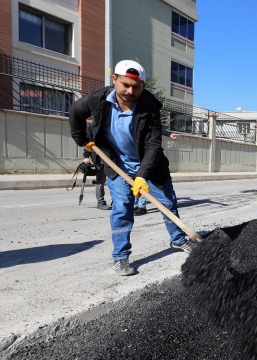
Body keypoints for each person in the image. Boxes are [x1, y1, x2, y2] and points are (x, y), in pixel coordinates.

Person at [69, 59, 197, 276]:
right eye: (125, 85)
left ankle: (177, 240)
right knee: (122, 210)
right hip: (116, 164)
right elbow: (75, 112)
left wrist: (142, 176)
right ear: (114, 80)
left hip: (150, 165)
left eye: (136, 87)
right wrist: (83, 140)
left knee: (167, 202)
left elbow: (153, 145)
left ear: (143, 87)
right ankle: (121, 257)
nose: (130, 91)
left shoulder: (149, 107)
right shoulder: (98, 99)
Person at [134, 130, 177, 216]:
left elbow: (157, 127)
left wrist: (168, 134)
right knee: (137, 184)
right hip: (135, 159)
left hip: (149, 159)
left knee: (144, 181)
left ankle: (141, 207)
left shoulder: (146, 121)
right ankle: (136, 205)